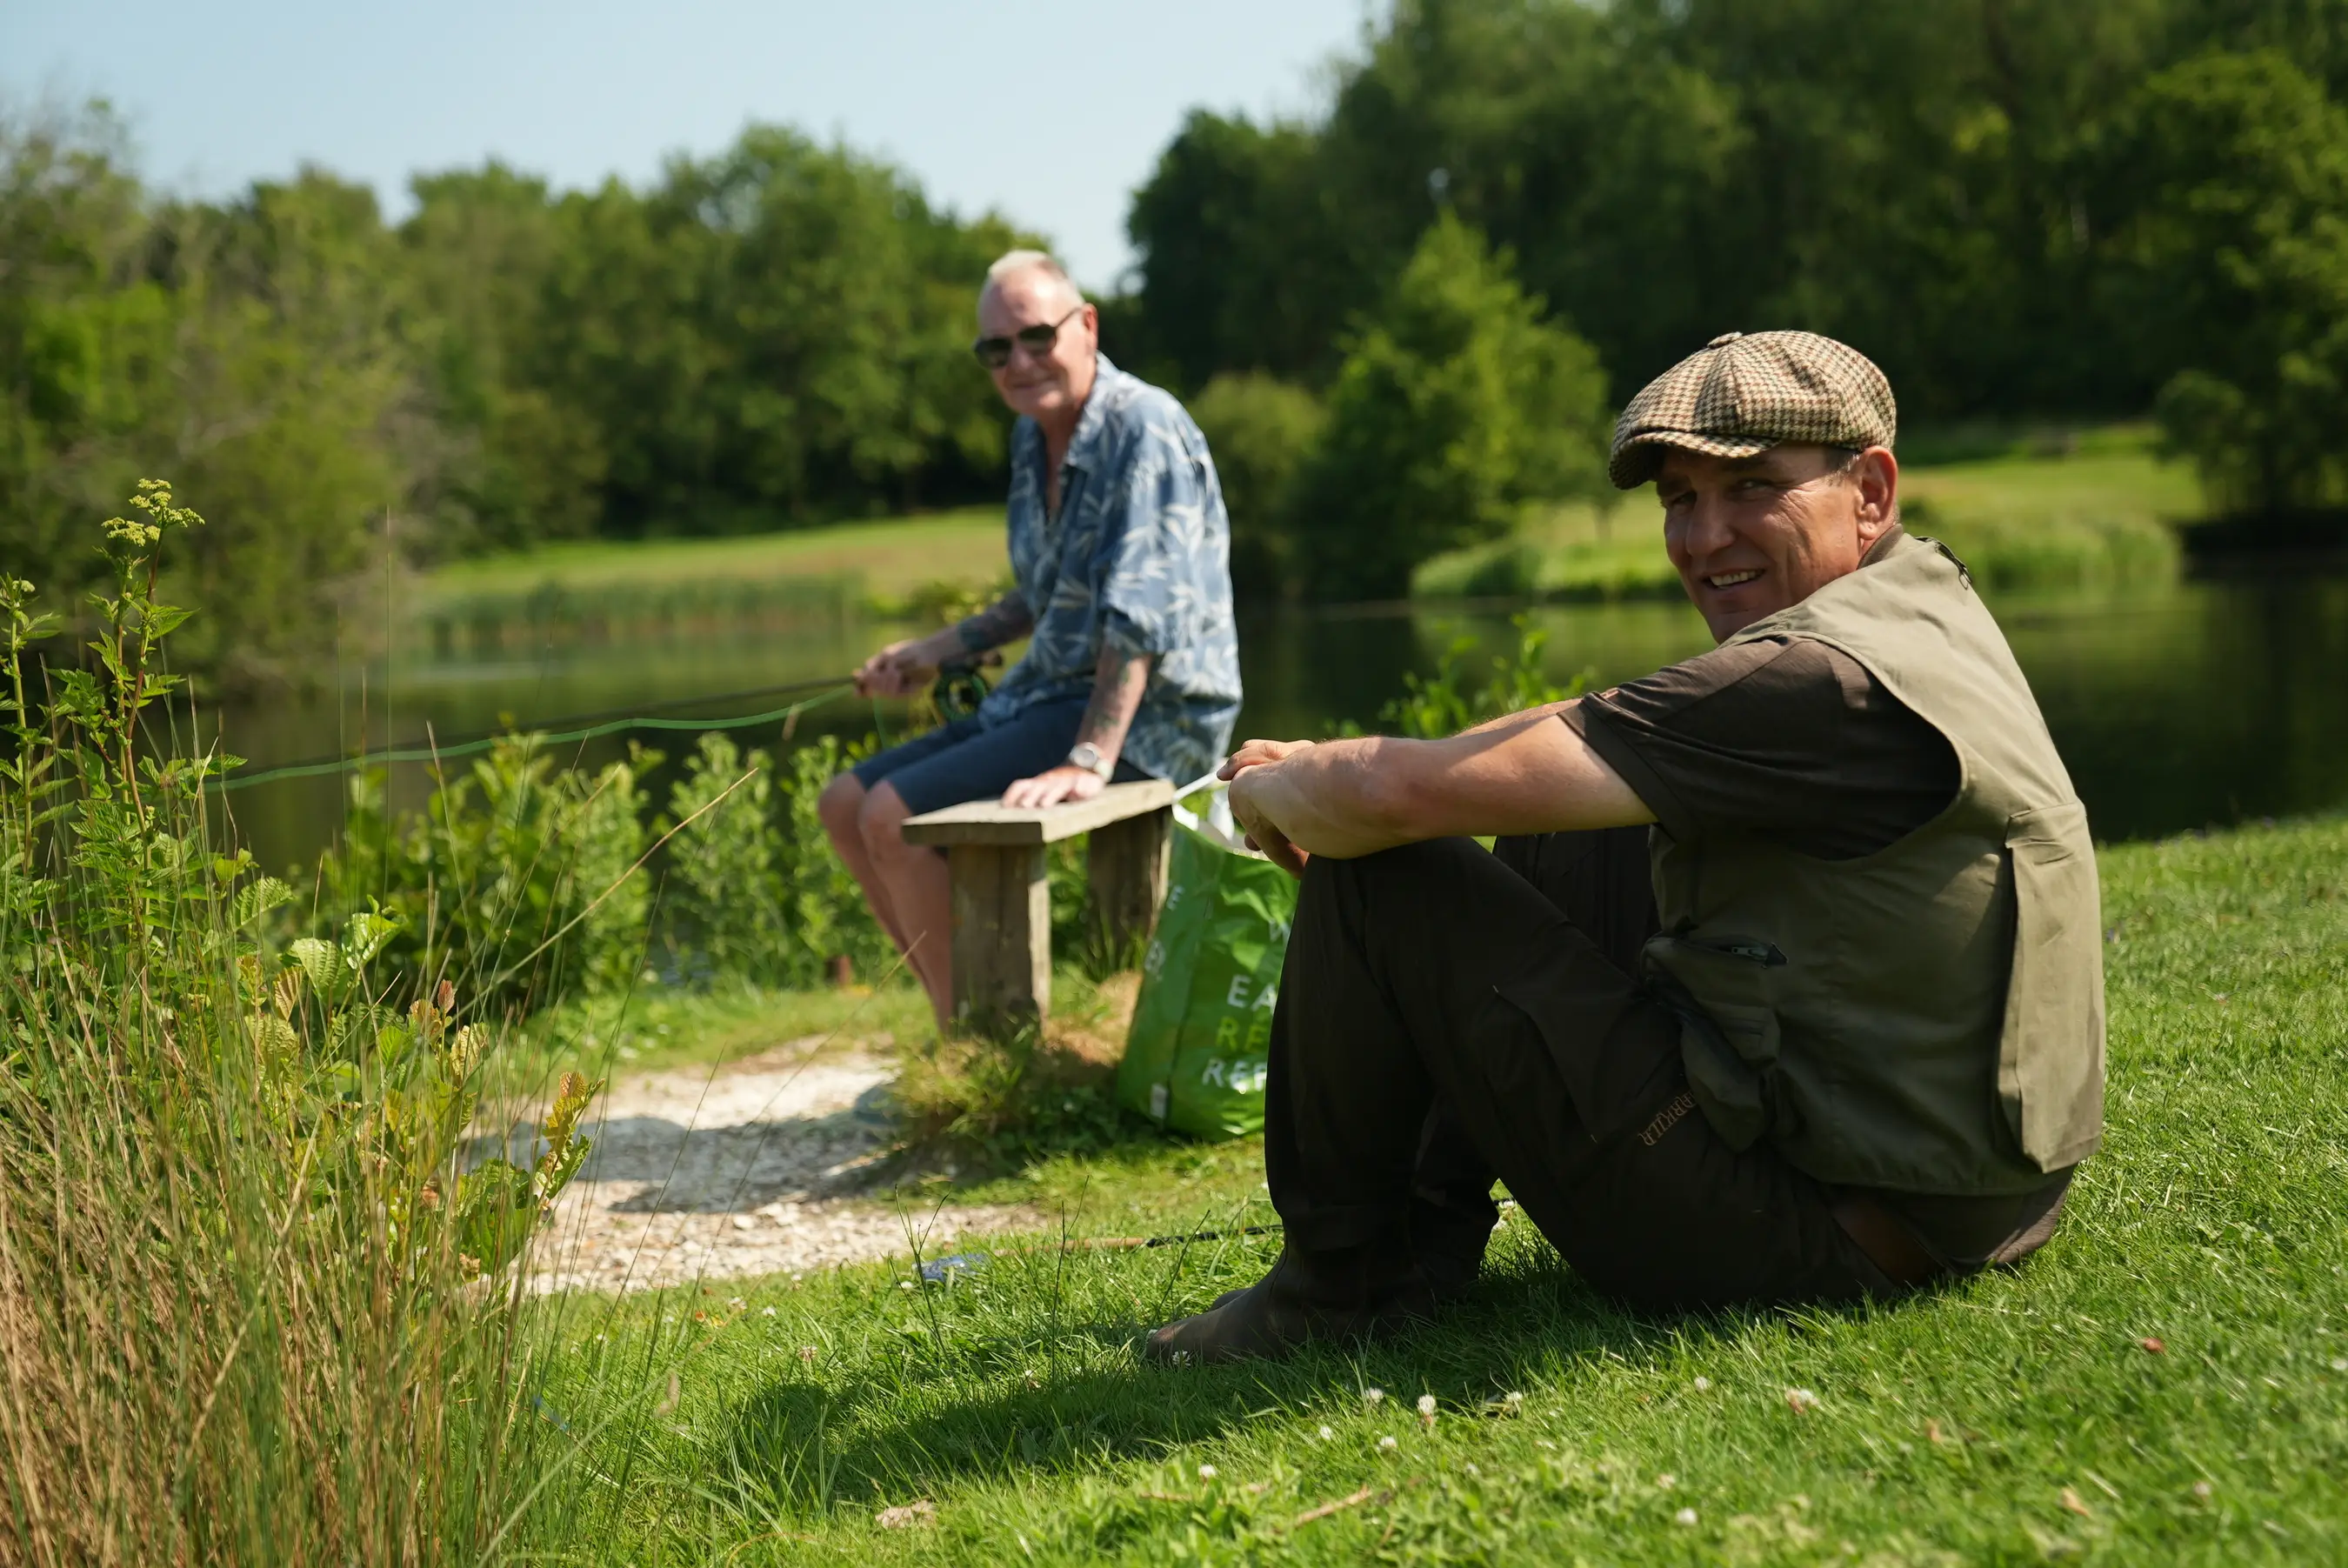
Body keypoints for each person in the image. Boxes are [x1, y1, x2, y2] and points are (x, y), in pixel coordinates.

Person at [1146, 330, 2105, 1364]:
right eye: (1679, 501)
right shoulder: (1921, 609)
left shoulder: (1818, 684)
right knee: (1560, 821)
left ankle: (1338, 1293)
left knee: (1385, 876)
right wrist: (1335, 769)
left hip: (1825, 1234)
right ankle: (1420, 1236)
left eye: (1751, 489)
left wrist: (1282, 791)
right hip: (1957, 1190)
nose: (1704, 537)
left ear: (1868, 488)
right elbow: (1564, 738)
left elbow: (1392, 798)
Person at [819, 250, 1242, 1025]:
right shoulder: (1032, 436)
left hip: (1156, 712)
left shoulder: (1142, 427)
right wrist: (935, 649)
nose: (1018, 361)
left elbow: (1139, 613)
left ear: (1086, 327)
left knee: (889, 815)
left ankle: (983, 1042)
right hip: (1054, 693)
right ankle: (966, 1020)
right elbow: (1047, 594)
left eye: (1036, 336)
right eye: (996, 349)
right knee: (845, 802)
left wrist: (1088, 758)